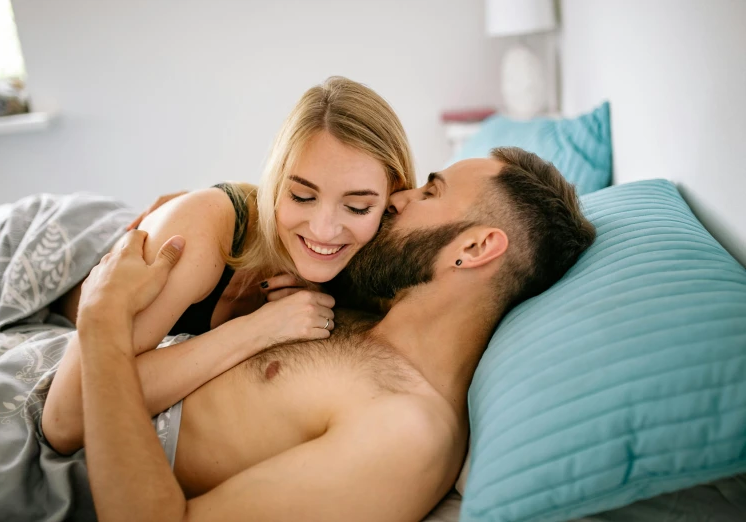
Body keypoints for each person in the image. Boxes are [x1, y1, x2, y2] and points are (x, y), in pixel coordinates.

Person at [75, 147, 597, 521]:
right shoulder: (365, 308)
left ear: (477, 248)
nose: (399, 197)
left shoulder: (406, 431)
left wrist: (99, 324)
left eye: (431, 191)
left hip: (74, 465)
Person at [42, 76, 416, 454]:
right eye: (302, 196)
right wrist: (257, 329)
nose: (323, 229)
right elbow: (66, 419)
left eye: (356, 207)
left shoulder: (378, 268)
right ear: (274, 182)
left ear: (393, 197)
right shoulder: (204, 232)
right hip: (52, 250)